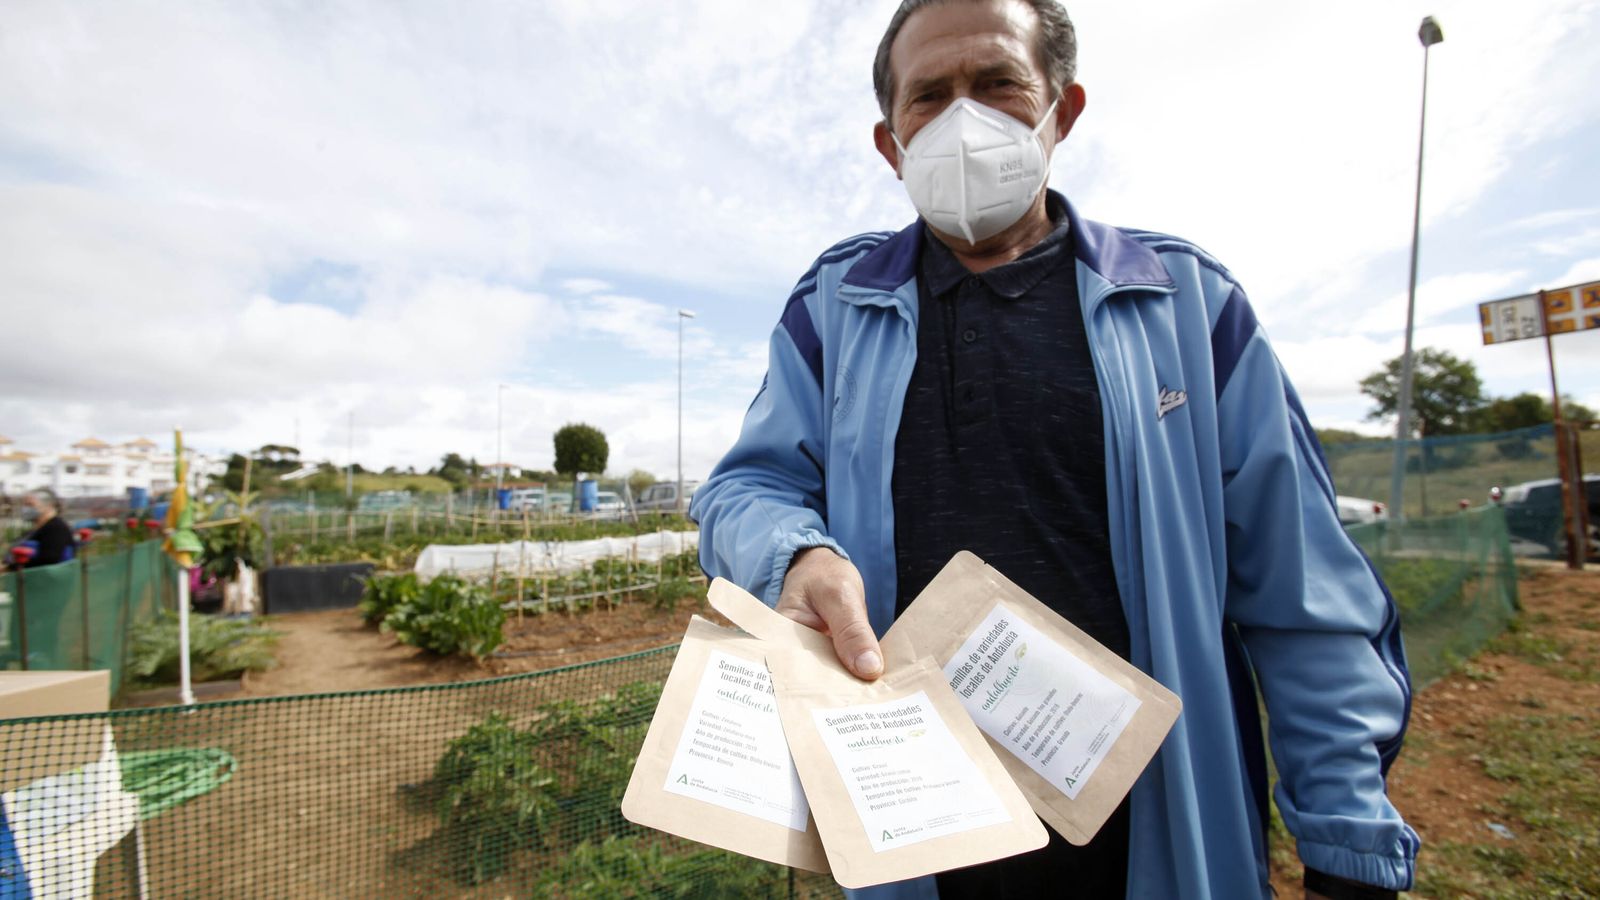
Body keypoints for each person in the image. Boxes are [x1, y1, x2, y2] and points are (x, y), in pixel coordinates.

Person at [690, 1, 1419, 898]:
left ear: (1061, 111)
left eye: (998, 84)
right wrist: (793, 553)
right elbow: (745, 487)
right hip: (911, 836)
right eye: (930, 96)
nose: (965, 118)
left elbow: (1303, 593)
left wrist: (1348, 843)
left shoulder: (1184, 304)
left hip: (1159, 844)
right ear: (891, 142)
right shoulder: (834, 308)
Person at [9, 489, 77, 569]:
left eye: (30, 504)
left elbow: (49, 560)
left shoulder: (56, 528)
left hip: (46, 579)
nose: (25, 509)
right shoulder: (35, 530)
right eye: (24, 505)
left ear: (48, 506)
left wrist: (11, 567)